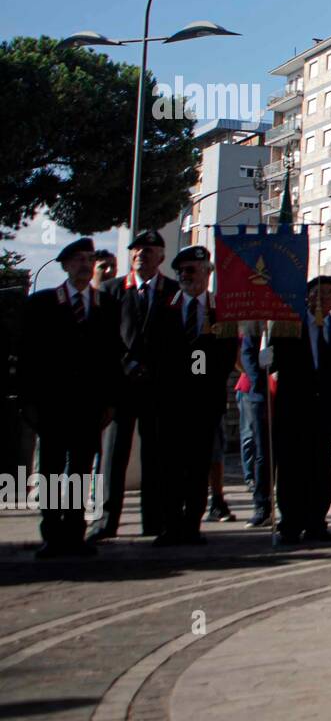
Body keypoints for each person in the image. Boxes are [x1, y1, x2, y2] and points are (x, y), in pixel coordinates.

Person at [18, 239, 121, 558]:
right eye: (77, 260)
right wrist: (29, 401)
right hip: (52, 403)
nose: (84, 265)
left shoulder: (105, 305)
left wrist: (110, 401)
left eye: (89, 259)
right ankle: (52, 532)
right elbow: (28, 356)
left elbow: (111, 357)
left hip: (89, 405)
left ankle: (75, 532)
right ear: (65, 265)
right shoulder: (43, 304)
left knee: (79, 469)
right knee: (50, 469)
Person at [92, 229, 179, 540]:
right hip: (121, 387)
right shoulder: (112, 291)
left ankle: (153, 522)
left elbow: (185, 345)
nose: (141, 254)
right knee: (113, 455)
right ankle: (105, 521)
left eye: (148, 250)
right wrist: (124, 364)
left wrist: (189, 376)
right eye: (137, 250)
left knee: (155, 457)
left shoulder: (174, 292)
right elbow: (102, 341)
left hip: (158, 389)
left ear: (161, 257)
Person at [154, 245, 237, 547]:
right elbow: (155, 352)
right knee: (170, 468)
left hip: (204, 403)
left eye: (192, 270)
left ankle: (191, 524)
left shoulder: (220, 312)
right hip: (171, 404)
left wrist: (198, 360)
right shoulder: (166, 308)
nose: (186, 276)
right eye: (182, 271)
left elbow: (225, 357)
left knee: (198, 467)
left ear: (207, 273)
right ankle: (170, 524)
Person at [265, 276, 331, 545]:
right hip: (294, 407)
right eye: (318, 293)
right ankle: (290, 523)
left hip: (325, 408)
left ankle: (317, 521)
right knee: (292, 467)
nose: (324, 298)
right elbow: (273, 363)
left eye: (329, 294)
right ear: (307, 296)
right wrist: (264, 361)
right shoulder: (287, 326)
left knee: (320, 467)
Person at [236, 327, 271, 527]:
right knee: (254, 444)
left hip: (279, 389)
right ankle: (260, 502)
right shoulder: (250, 330)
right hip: (254, 391)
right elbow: (239, 357)